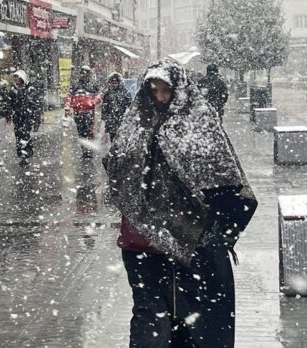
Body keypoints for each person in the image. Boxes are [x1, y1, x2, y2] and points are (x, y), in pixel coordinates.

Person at [103, 57, 258, 347]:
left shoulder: (198, 120)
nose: (160, 97)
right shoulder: (136, 120)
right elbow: (119, 169)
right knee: (149, 314)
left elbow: (222, 175)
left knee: (193, 317)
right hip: (142, 242)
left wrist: (217, 228)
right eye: (154, 90)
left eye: (166, 90)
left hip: (190, 240)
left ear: (180, 89)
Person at [64, 65, 102, 158]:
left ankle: (89, 151)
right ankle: (84, 151)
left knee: (89, 132)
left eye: (86, 73)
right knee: (80, 132)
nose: (84, 75)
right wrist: (67, 106)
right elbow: (69, 96)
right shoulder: (75, 85)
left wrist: (93, 102)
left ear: (89, 74)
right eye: (82, 73)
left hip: (89, 112)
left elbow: (100, 95)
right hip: (78, 112)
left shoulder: (93, 85)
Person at [8, 70, 37, 166]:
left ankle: (26, 154)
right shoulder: (13, 90)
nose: (16, 79)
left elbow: (34, 103)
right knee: (18, 134)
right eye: (14, 77)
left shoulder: (29, 89)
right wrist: (10, 113)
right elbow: (10, 103)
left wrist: (32, 114)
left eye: (17, 77)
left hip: (27, 116)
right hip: (17, 116)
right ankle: (22, 154)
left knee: (25, 133)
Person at [101, 72, 132, 141]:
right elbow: (105, 105)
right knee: (112, 137)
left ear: (119, 82)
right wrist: (104, 116)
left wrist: (127, 115)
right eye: (113, 82)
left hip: (121, 118)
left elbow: (129, 105)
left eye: (116, 82)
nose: (114, 84)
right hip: (111, 119)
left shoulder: (125, 92)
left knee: (121, 137)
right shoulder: (108, 92)